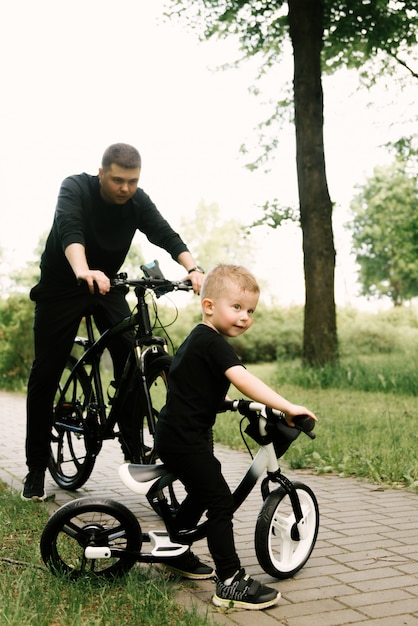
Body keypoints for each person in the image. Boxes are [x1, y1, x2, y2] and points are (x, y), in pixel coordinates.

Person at [22, 143, 205, 507]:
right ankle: (36, 470)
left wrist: (192, 267)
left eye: (132, 181)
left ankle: (133, 445)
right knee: (46, 373)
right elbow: (69, 230)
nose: (125, 188)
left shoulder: (138, 201)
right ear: (102, 173)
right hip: (62, 287)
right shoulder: (75, 188)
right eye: (118, 180)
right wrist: (82, 270)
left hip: (107, 285)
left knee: (131, 360)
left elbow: (163, 233)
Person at [155, 264, 318, 610]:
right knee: (220, 502)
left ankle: (176, 548)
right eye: (237, 308)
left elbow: (194, 386)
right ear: (209, 306)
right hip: (186, 439)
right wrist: (287, 406)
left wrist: (232, 404)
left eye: (250, 311)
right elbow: (243, 378)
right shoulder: (213, 343)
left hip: (179, 434)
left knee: (203, 491)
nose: (245, 317)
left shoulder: (199, 338)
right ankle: (229, 581)